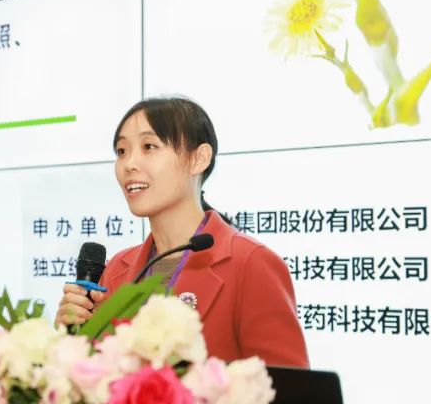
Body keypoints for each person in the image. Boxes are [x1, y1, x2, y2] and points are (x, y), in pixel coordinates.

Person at [55, 97, 309, 367]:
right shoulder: (117, 269)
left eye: (149, 147)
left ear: (198, 159)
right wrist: (71, 337)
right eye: (121, 151)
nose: (129, 164)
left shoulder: (251, 263)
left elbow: (288, 389)